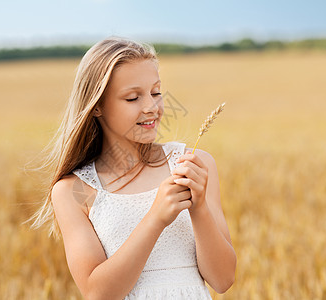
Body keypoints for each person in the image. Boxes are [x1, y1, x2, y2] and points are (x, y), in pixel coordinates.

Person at [27, 36, 236, 299]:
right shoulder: (78, 190)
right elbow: (97, 293)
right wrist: (156, 218)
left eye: (156, 92)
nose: (151, 107)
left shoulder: (193, 163)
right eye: (132, 98)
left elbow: (223, 279)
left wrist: (200, 206)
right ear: (97, 106)